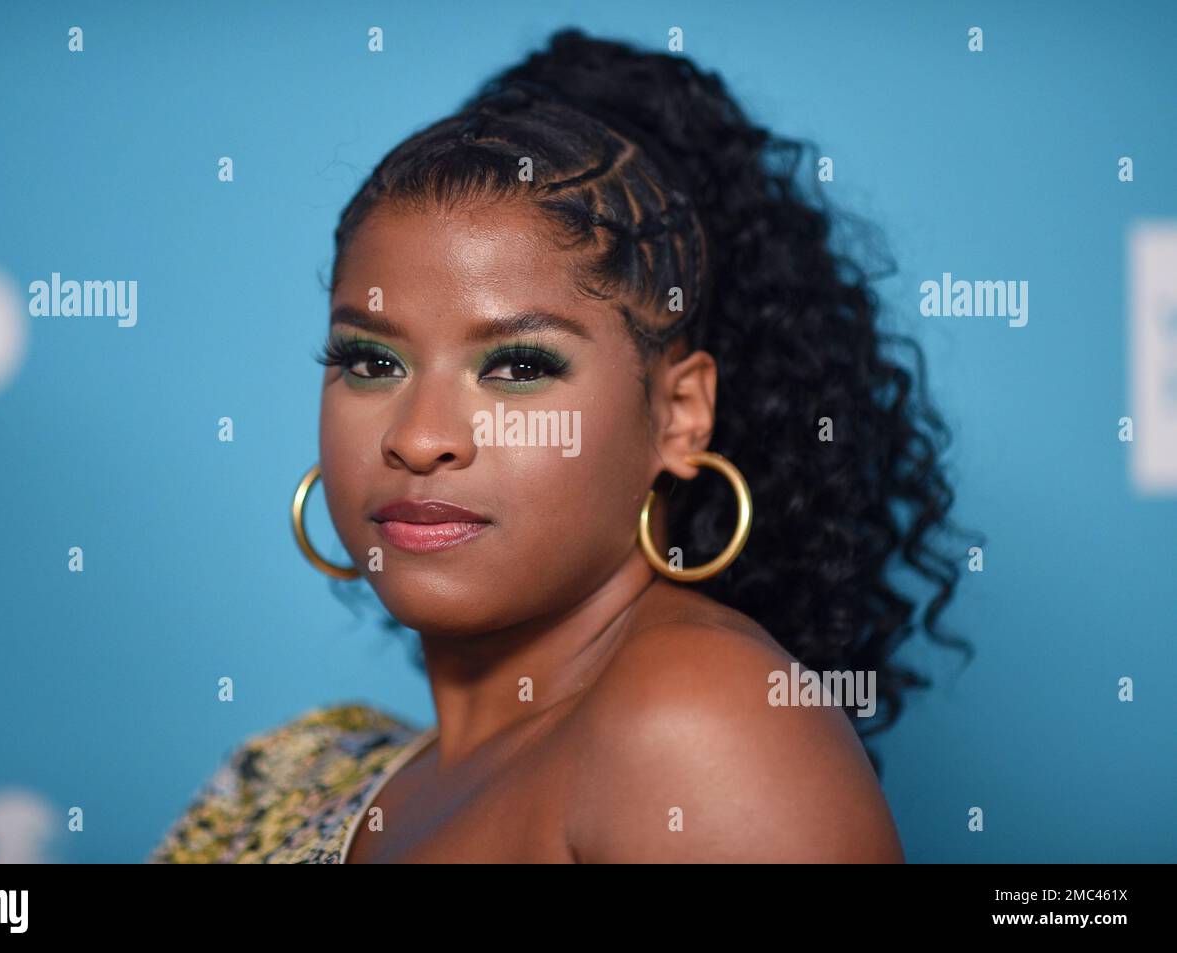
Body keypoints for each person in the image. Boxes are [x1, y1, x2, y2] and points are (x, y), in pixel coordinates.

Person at [149, 27, 972, 864]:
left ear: (680, 415)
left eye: (518, 365)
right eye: (372, 359)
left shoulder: (697, 724)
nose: (419, 436)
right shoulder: (303, 768)